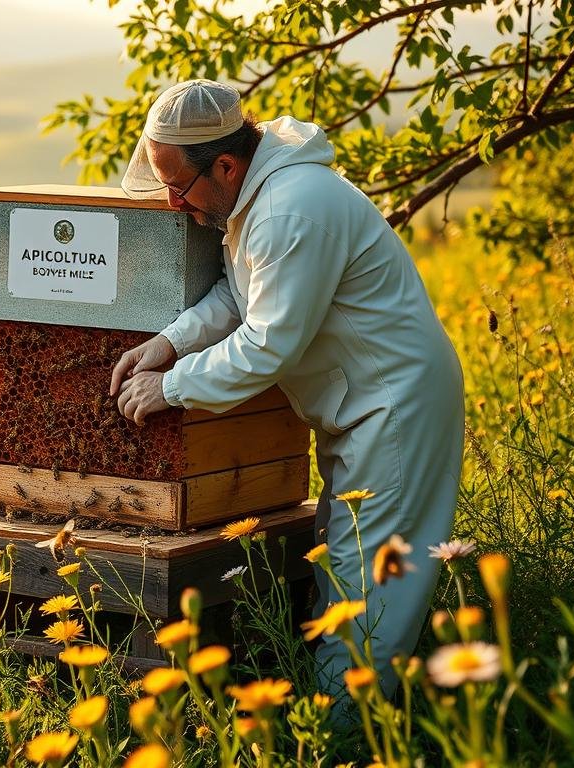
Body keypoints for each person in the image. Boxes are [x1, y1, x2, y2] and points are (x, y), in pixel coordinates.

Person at [108, 79, 465, 698]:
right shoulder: (255, 196)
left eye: (178, 186)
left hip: (393, 407)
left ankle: (347, 741)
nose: (171, 202)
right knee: (342, 582)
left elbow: (268, 344)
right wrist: (170, 341)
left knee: (371, 598)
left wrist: (171, 385)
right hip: (357, 407)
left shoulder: (291, 209)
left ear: (225, 163)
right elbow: (240, 295)